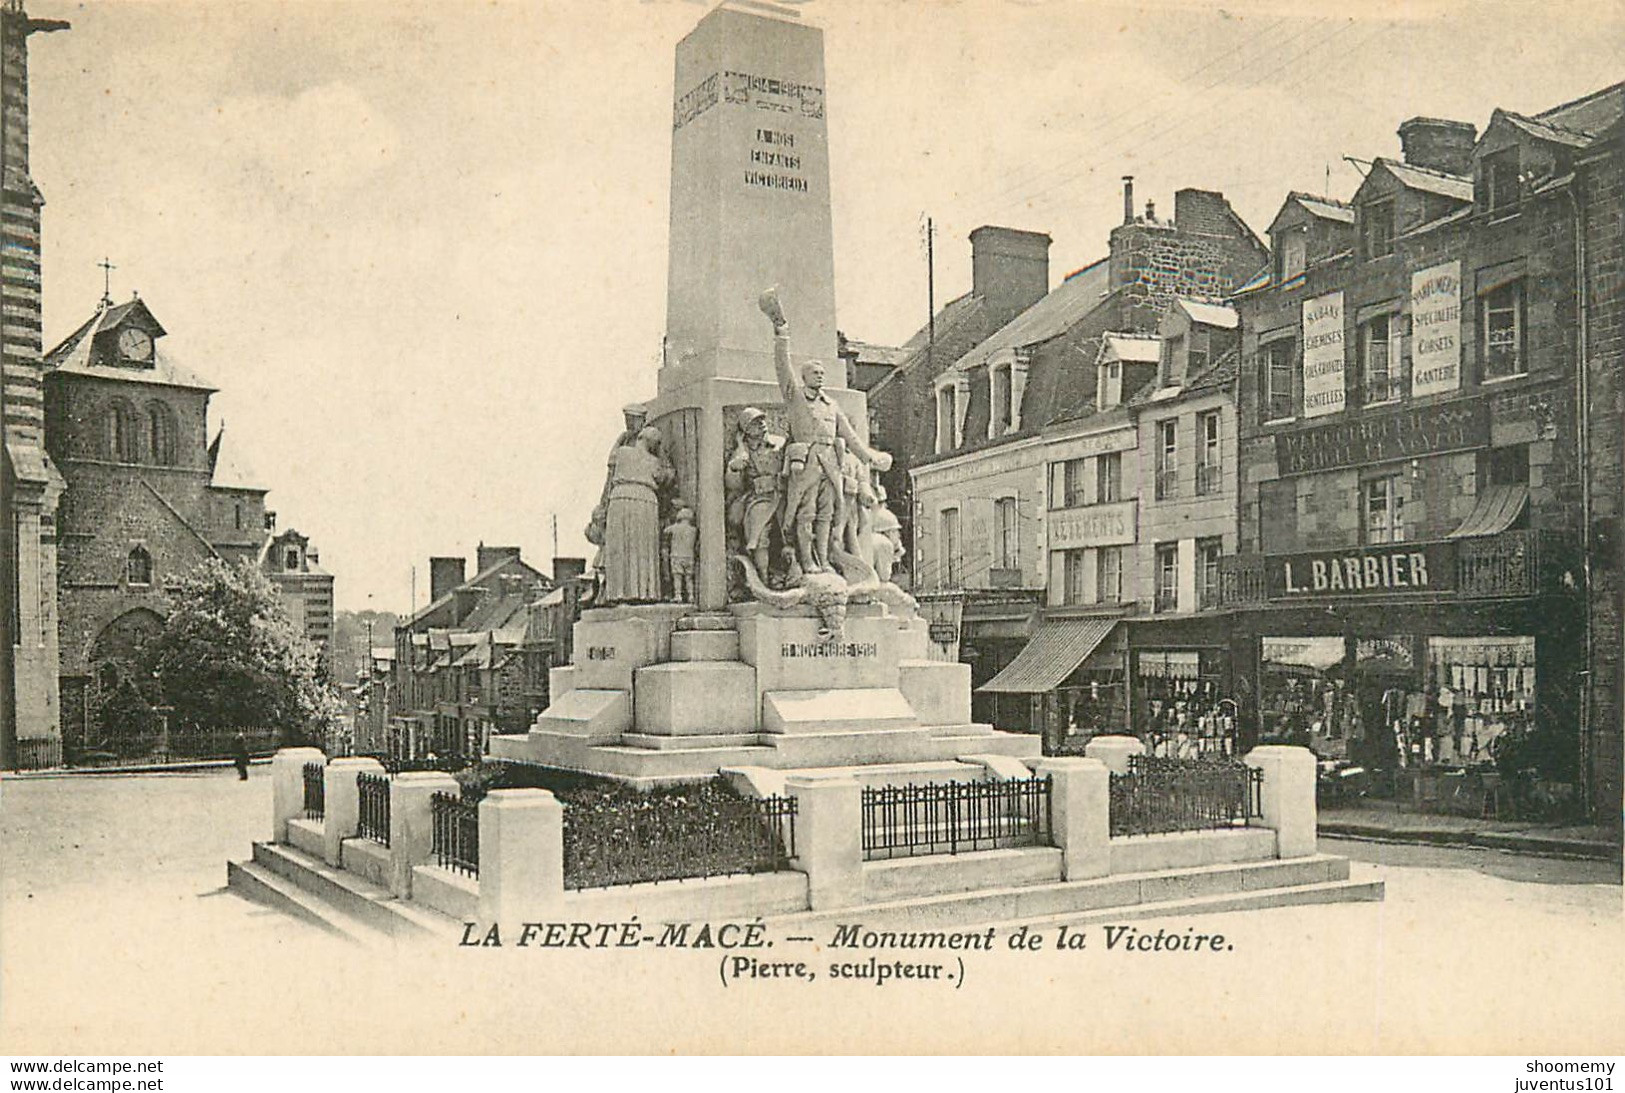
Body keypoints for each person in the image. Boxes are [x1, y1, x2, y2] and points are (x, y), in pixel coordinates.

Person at [758, 287, 891, 574]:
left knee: (828, 513)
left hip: (831, 461)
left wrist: (871, 457)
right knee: (804, 513)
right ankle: (806, 561)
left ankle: (823, 559)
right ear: (804, 377)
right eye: (813, 372)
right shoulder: (795, 397)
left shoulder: (831, 404)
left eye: (821, 371)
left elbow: (851, 438)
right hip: (806, 461)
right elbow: (783, 368)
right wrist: (781, 331)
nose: (820, 374)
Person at [601, 426, 673, 603]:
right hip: (644, 501)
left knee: (622, 546)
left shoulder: (623, 452)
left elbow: (611, 460)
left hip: (619, 499)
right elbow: (665, 478)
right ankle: (644, 592)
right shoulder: (654, 461)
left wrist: (622, 436)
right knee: (642, 547)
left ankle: (619, 592)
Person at [725, 407, 785, 582]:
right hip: (759, 498)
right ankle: (763, 576)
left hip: (782, 494)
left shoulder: (778, 442)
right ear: (746, 430)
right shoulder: (743, 452)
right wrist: (735, 467)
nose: (762, 424)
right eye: (755, 422)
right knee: (759, 535)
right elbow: (732, 483)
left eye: (762, 420)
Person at [664, 507, 698, 603]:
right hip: (689, 556)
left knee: (677, 577)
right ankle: (691, 595)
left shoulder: (675, 528)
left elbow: (666, 531)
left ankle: (678, 595)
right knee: (689, 578)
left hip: (677, 555)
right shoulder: (693, 530)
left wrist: (675, 523)